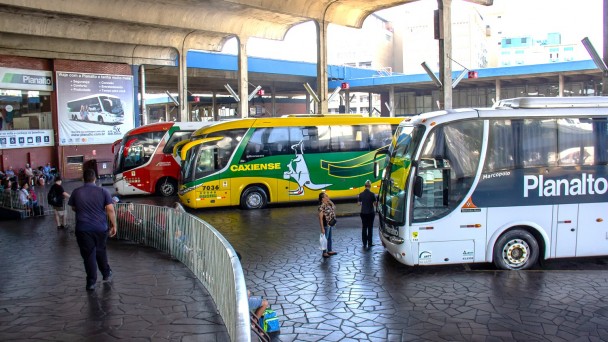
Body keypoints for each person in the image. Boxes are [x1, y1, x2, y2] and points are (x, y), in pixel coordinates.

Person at [68, 168, 117, 291]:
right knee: (101, 251)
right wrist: (114, 225)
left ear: (83, 179)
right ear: (95, 178)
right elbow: (110, 209)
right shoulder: (103, 191)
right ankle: (106, 273)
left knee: (88, 255)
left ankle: (91, 282)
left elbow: (74, 207)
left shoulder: (76, 192)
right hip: (100, 228)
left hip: (83, 229)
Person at [358, 180, 377, 250]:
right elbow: (375, 204)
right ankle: (370, 242)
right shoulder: (372, 194)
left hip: (363, 213)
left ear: (365, 186)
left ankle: (364, 243)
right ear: (370, 186)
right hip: (370, 213)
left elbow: (358, 204)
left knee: (364, 228)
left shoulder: (361, 194)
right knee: (370, 228)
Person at [318, 192, 338, 258]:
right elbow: (320, 218)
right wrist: (322, 228)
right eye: (326, 196)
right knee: (325, 239)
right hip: (325, 225)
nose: (327, 197)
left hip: (330, 224)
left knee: (329, 238)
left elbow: (334, 207)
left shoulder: (328, 204)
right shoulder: (322, 206)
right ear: (322, 199)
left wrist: (330, 201)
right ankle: (324, 252)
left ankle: (330, 250)